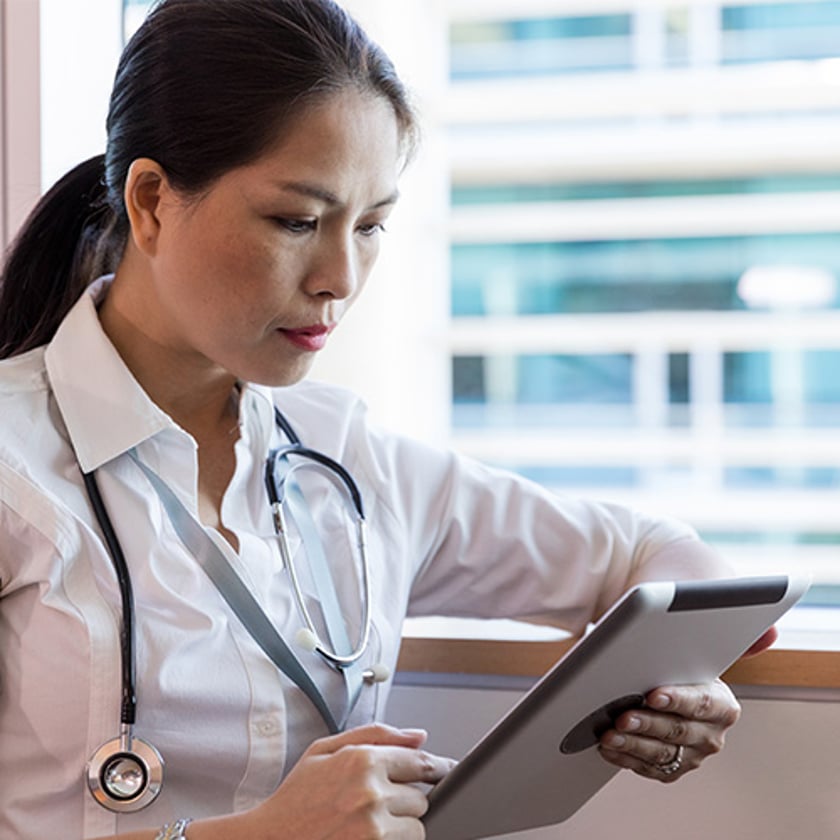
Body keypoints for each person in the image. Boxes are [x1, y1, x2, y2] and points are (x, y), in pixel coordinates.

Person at [0, 1, 774, 838]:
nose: (341, 276)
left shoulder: (346, 457)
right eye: (297, 221)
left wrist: (682, 683)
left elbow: (651, 554)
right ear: (150, 201)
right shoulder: (16, 460)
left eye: (371, 226)